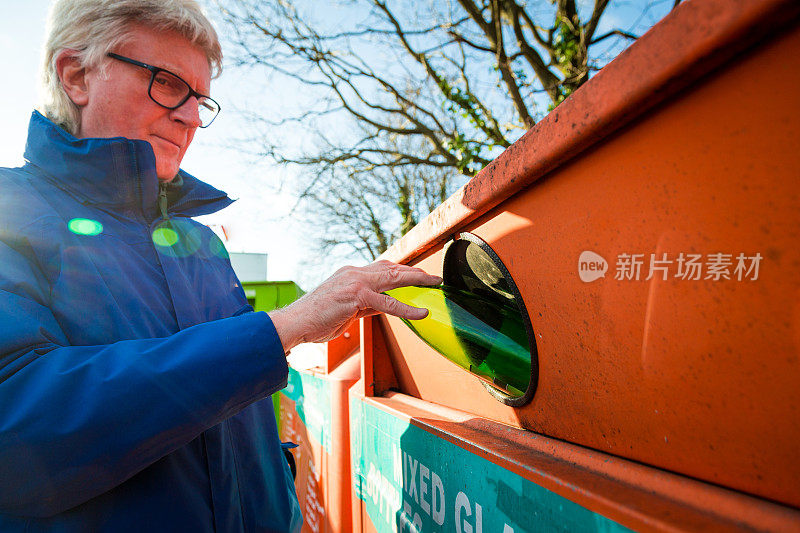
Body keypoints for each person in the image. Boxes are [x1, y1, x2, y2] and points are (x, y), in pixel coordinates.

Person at [0, 1, 440, 531]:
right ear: (75, 76)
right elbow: (15, 430)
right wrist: (282, 328)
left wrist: (280, 495)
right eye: (166, 83)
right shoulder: (11, 212)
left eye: (200, 99)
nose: (189, 117)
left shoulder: (200, 244)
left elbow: (235, 416)